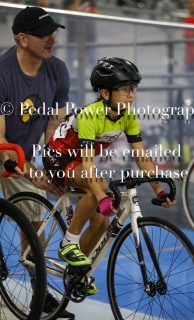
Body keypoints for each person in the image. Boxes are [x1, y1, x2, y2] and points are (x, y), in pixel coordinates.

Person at [43, 57, 176, 294]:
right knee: (100, 186)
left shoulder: (127, 116)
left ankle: (76, 272)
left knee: (102, 222)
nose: (130, 94)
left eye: (132, 88)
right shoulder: (90, 116)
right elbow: (87, 163)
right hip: (59, 156)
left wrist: (158, 189)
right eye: (124, 89)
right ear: (105, 93)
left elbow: (142, 158)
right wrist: (101, 194)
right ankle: (68, 242)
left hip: (79, 161)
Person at [0, 6, 75, 319]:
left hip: (22, 153)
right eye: (44, 34)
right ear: (22, 38)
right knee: (27, 188)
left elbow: (54, 130)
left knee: (35, 215)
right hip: (5, 148)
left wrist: (55, 168)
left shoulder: (57, 70)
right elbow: (3, 147)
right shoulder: (2, 73)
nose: (52, 39)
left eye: (53, 32)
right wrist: (31, 173)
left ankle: (38, 292)